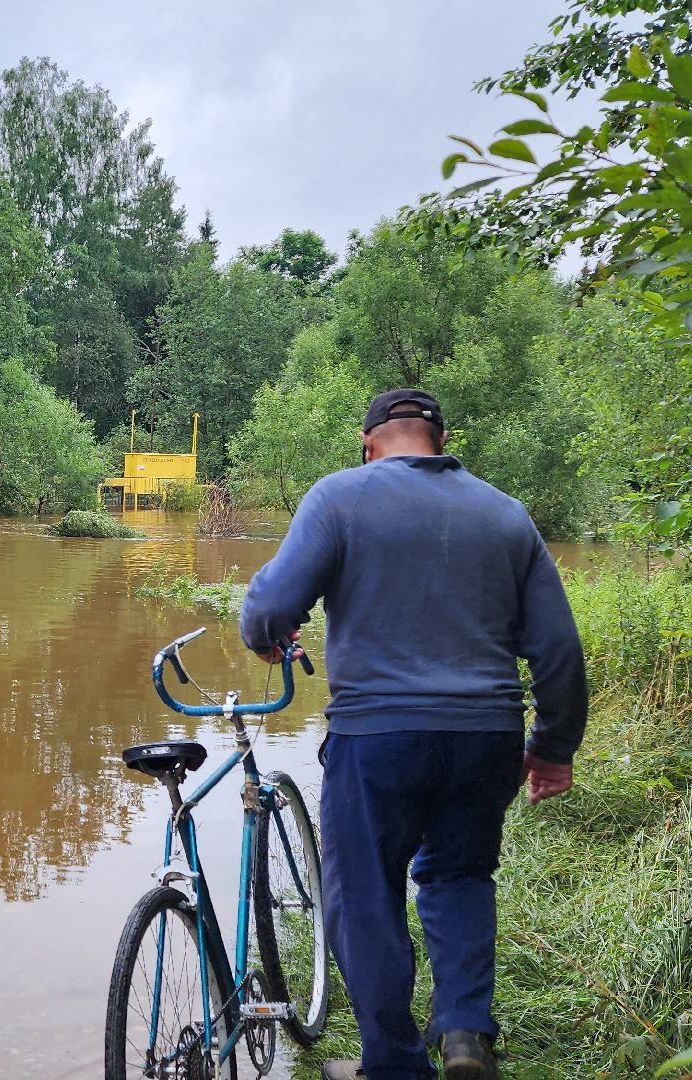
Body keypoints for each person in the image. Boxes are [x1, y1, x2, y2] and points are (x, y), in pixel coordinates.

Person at [239, 389, 587, 1080]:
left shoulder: (340, 498)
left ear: (368, 442)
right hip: (486, 733)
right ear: (441, 438)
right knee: (460, 875)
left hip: (378, 734)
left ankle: (394, 1065)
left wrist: (265, 636)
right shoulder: (505, 513)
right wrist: (553, 747)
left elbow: (273, 604)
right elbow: (558, 650)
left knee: (365, 893)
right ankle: (464, 1032)